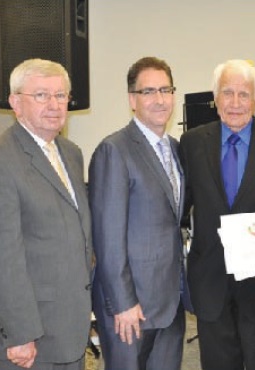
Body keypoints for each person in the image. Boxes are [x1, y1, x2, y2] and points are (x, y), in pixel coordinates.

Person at [0, 59, 93, 370]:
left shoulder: (70, 153)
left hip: (69, 326)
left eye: (61, 95)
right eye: (41, 95)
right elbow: (0, 262)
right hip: (30, 340)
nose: (53, 105)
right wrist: (20, 334)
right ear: (15, 103)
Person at [179, 59, 255, 370]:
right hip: (211, 284)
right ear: (214, 98)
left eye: (244, 94)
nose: (235, 103)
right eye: (227, 93)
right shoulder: (191, 143)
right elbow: (178, 208)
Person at [88, 56, 190, 370]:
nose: (159, 100)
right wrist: (123, 303)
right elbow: (108, 237)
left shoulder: (175, 147)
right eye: (148, 92)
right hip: (131, 308)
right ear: (133, 99)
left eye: (165, 90)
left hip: (170, 301)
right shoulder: (114, 150)